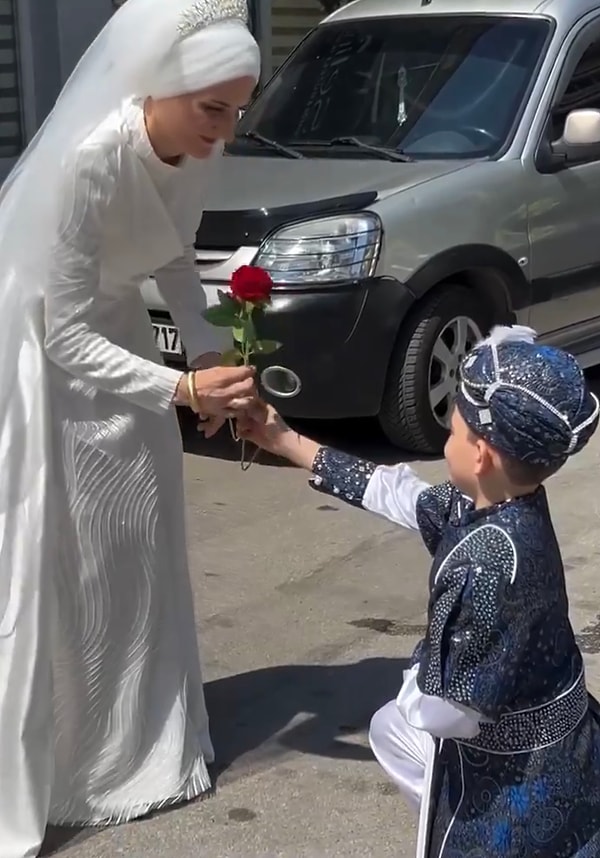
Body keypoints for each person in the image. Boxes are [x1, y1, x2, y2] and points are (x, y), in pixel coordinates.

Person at [0, 1, 262, 854]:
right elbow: (63, 332)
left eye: (236, 111)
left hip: (122, 346)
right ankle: (78, 758)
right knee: (75, 558)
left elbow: (177, 256)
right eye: (210, 108)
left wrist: (215, 351)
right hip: (53, 357)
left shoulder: (196, 150)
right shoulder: (88, 164)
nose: (222, 132)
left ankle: (147, 740)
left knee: (141, 542)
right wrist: (186, 386)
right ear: (165, 89)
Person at [239, 326, 600, 857]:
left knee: (415, 741)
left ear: (481, 454)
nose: (444, 442)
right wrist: (284, 439)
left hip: (513, 768)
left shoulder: (488, 560)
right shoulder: (500, 502)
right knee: (391, 727)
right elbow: (400, 494)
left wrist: (419, 674)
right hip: (559, 729)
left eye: (452, 433)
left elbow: (449, 712)